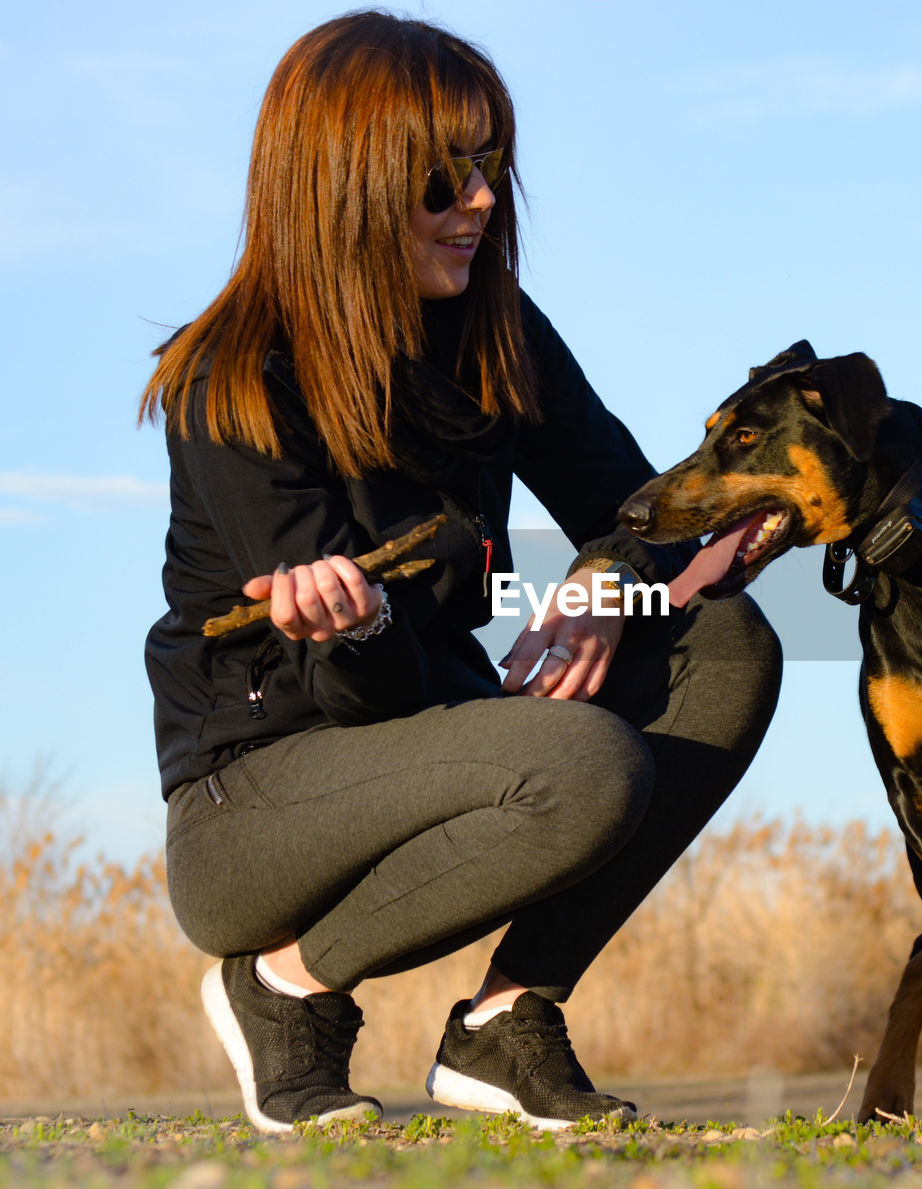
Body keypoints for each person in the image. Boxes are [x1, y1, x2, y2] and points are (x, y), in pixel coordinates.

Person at [140, 12, 781, 1134]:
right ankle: (282, 986)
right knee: (579, 765)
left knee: (720, 644)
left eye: (491, 167)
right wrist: (359, 620)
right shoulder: (231, 378)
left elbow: (645, 522)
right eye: (446, 175)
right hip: (254, 805)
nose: (479, 202)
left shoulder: (497, 331)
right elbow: (361, 697)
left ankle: (504, 1024)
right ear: (347, 182)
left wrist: (604, 577)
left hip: (448, 736)